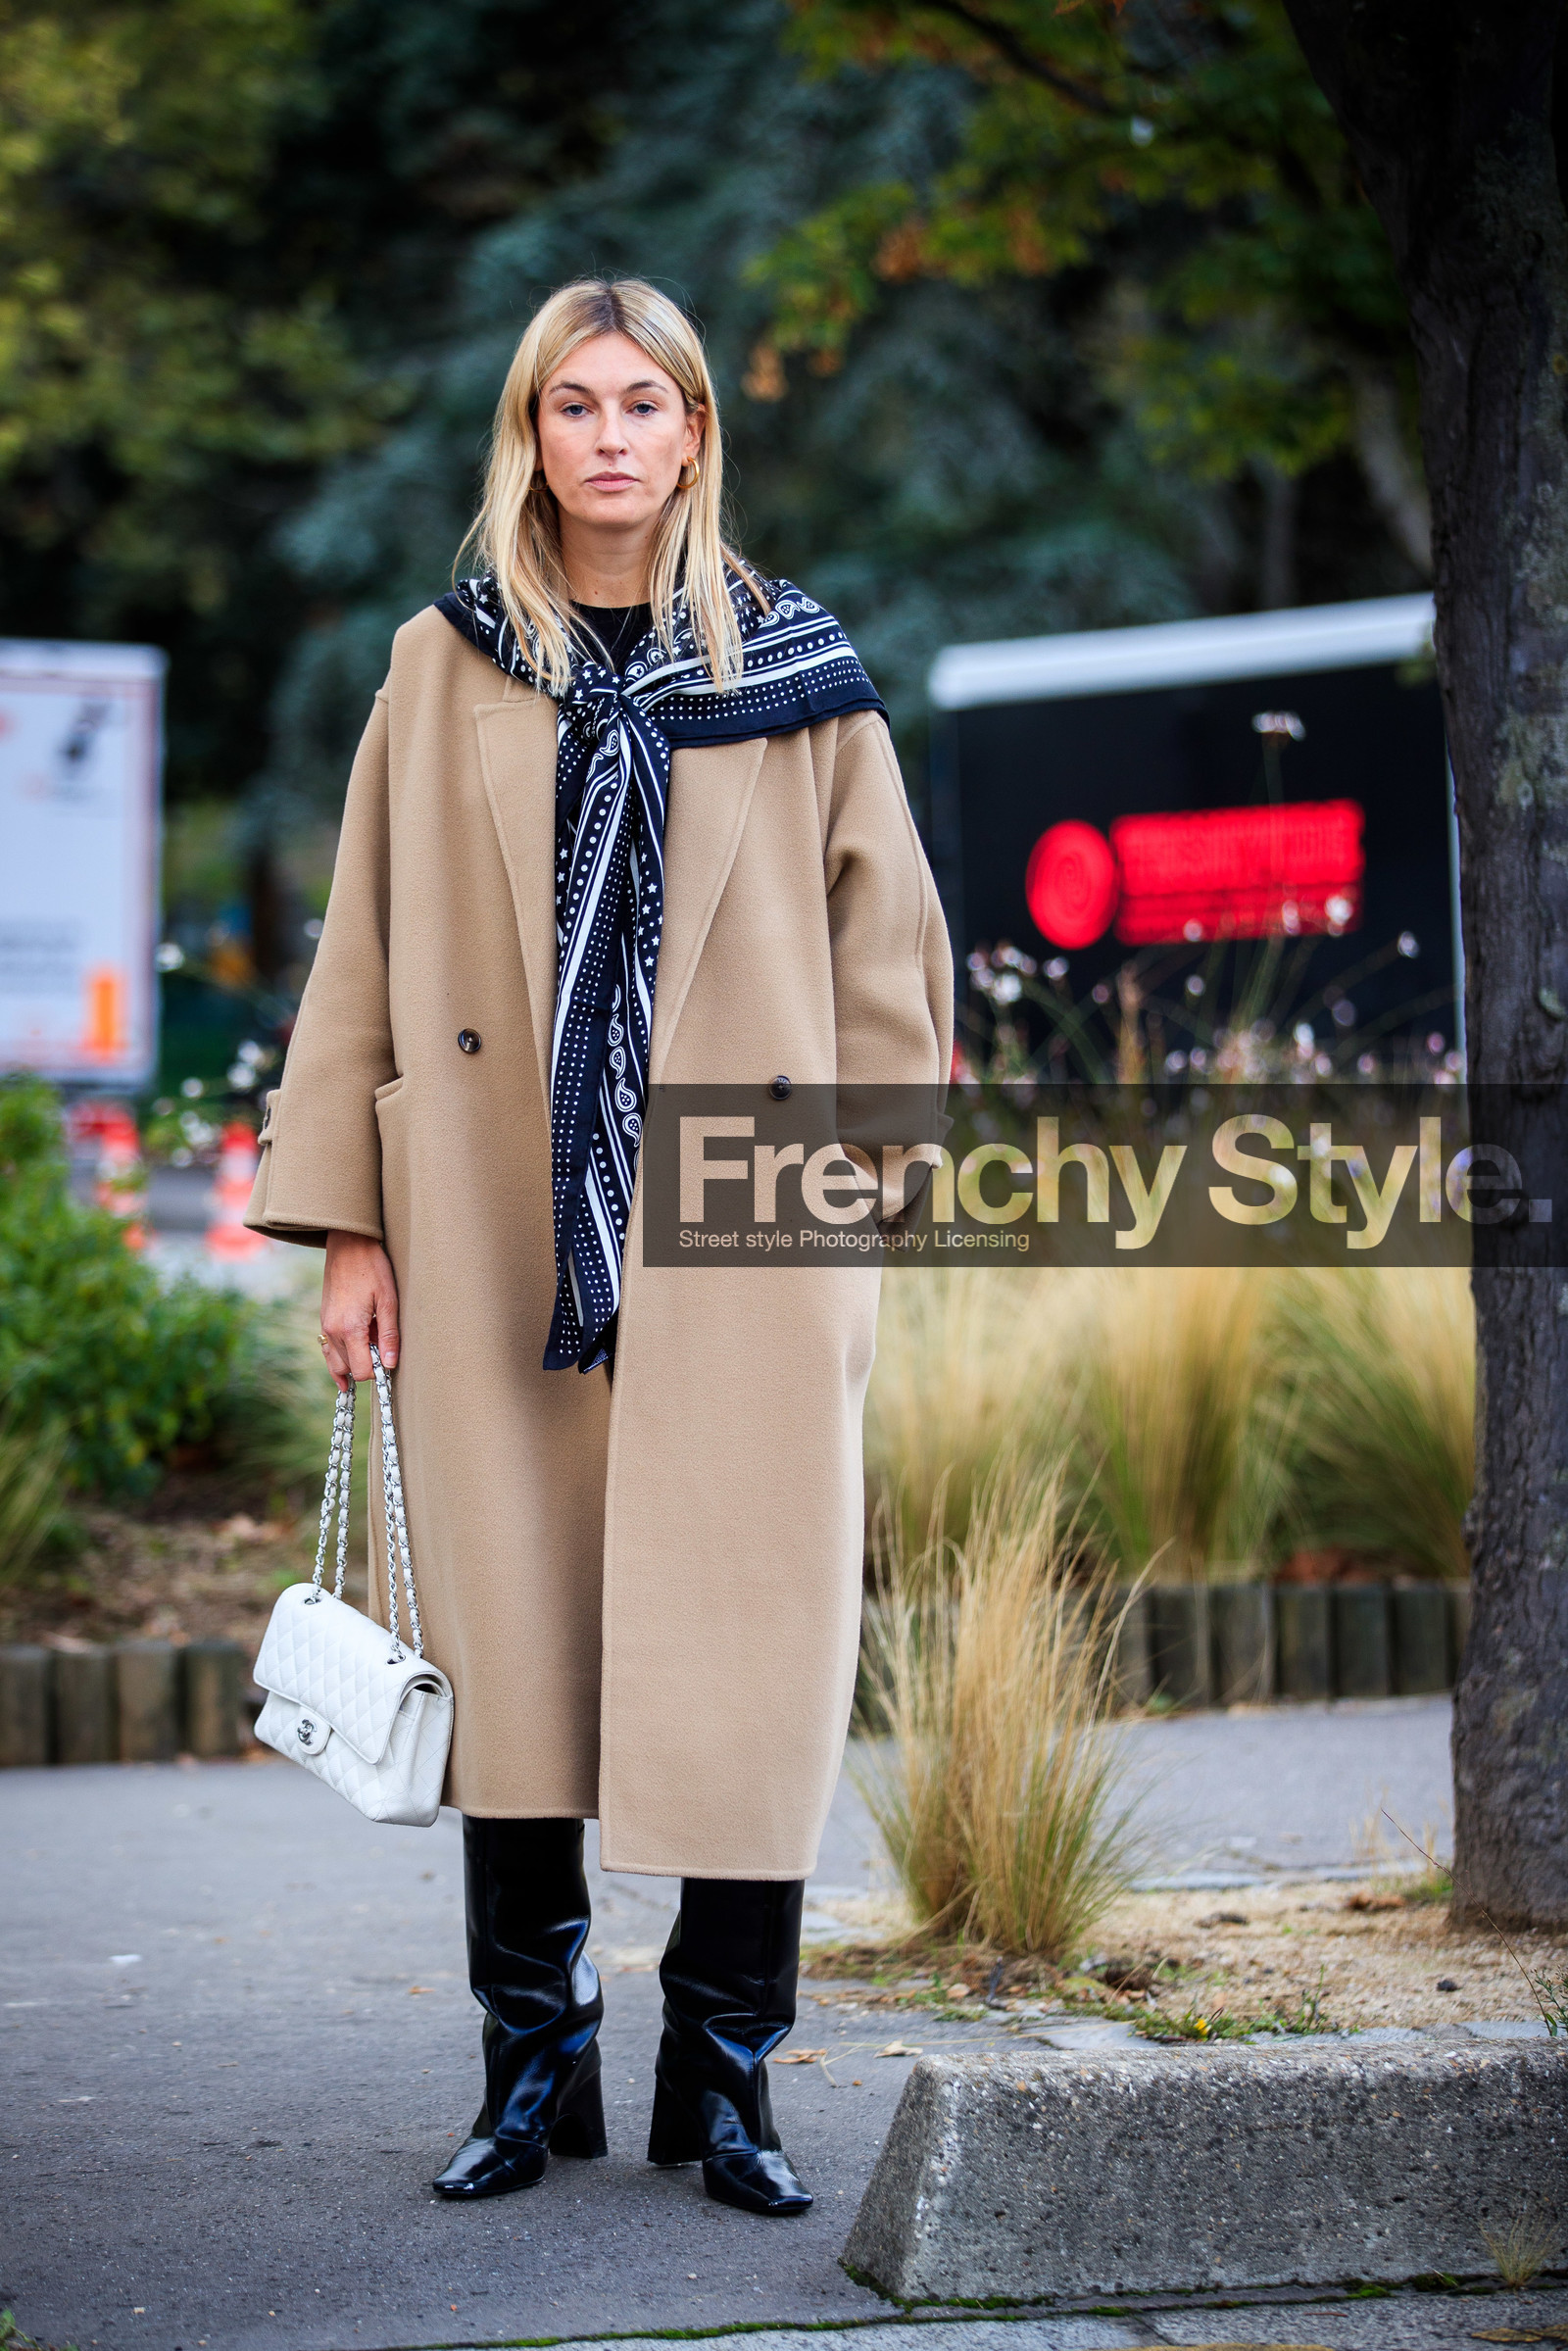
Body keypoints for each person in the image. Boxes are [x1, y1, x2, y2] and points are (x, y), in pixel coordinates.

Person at [245, 277, 953, 2218]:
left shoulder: (794, 668)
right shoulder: (444, 661)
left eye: (647, 403)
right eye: (575, 407)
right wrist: (344, 1233)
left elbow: (889, 949)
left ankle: (724, 2089)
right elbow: (360, 958)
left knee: (751, 1652)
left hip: (744, 1228)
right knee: (515, 1659)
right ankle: (528, 2074)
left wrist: (864, 1206)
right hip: (485, 1223)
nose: (612, 437)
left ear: (697, 433)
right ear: (530, 437)